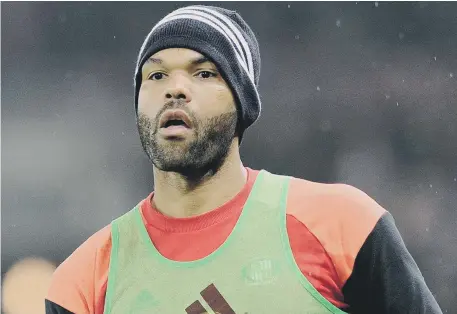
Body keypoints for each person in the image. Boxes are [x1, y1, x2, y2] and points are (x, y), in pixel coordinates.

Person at [46, 5, 443, 314]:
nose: (175, 89)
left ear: (242, 102)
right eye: (156, 76)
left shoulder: (343, 225)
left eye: (203, 73)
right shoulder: (82, 282)